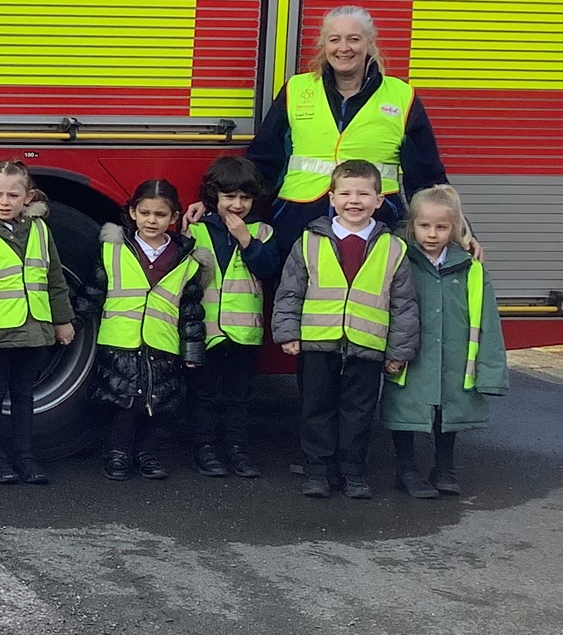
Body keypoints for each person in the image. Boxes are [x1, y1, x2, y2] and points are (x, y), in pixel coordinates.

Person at [238, 6, 452, 260]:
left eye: (354, 38)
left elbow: (427, 175)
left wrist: (457, 228)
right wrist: (215, 205)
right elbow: (263, 161)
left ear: (369, 43)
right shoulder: (296, 90)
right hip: (297, 220)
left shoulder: (402, 96)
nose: (344, 47)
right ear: (323, 44)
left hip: (376, 222)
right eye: (335, 39)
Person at [272, 158, 419, 500]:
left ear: (379, 201)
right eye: (346, 193)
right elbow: (290, 290)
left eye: (364, 194)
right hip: (317, 343)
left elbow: (404, 304)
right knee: (316, 408)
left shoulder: (394, 248)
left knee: (359, 412)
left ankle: (353, 472)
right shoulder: (309, 241)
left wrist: (398, 352)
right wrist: (288, 332)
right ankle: (317, 471)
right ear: (332, 197)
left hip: (368, 345)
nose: (355, 200)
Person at [0, 160, 75, 486]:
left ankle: (25, 457)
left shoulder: (40, 229)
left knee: (24, 395)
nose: (5, 202)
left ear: (28, 196)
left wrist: (63, 321)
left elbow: (55, 279)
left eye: (13, 195)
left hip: (34, 330)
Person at [382, 185, 506, 500]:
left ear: (455, 228)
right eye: (424, 225)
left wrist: (490, 371)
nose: (432, 234)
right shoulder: (399, 260)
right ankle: (406, 469)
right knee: (405, 409)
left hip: (453, 355)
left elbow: (488, 319)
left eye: (442, 226)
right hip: (411, 355)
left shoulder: (470, 268)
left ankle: (444, 467)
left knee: (447, 411)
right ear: (412, 225)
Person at [92, 180, 206, 482]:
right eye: (145, 213)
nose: (151, 220)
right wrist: (69, 325)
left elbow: (191, 311)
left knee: (157, 404)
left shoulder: (187, 260)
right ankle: (118, 453)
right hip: (121, 342)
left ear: (174, 218)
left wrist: (193, 351)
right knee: (125, 402)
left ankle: (146, 452)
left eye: (160, 214)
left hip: (162, 343)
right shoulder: (114, 250)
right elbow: (92, 292)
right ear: (132, 213)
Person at [185, 156, 282, 479]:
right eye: (229, 197)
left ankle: (237, 449)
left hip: (244, 332)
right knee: (203, 395)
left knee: (238, 397)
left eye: (244, 197)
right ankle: (205, 448)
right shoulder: (197, 229)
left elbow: (269, 268)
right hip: (205, 329)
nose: (237, 204)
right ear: (214, 196)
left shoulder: (263, 232)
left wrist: (246, 239)